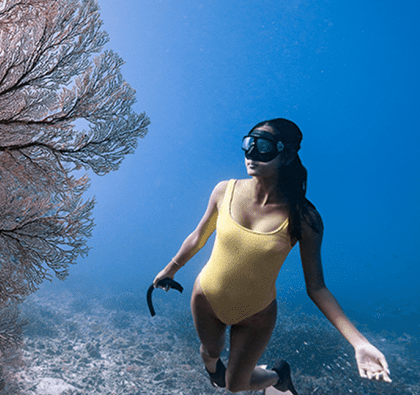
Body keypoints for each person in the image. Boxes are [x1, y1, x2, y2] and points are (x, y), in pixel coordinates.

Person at [153, 118, 391, 393]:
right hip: (206, 299)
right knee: (210, 352)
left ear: (287, 154)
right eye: (248, 143)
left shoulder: (304, 218)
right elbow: (198, 236)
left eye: (263, 146)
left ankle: (278, 375)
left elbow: (317, 287)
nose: (252, 154)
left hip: (256, 316)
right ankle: (214, 368)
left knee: (235, 385)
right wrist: (171, 269)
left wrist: (359, 343)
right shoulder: (223, 190)